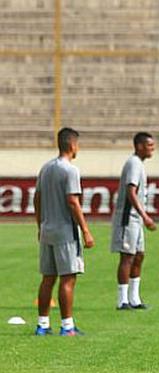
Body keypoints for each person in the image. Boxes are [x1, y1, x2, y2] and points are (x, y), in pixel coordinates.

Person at [34, 127, 95, 336]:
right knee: (68, 278)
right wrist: (85, 230)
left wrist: (40, 225)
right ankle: (67, 326)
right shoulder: (70, 170)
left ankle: (42, 324)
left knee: (47, 278)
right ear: (72, 145)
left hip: (47, 230)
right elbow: (72, 201)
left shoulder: (46, 168)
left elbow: (37, 199)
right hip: (65, 232)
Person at [110, 132, 157, 309]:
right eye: (149, 145)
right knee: (127, 257)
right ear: (139, 146)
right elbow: (131, 192)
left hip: (136, 219)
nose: (152, 148)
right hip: (128, 217)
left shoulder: (138, 164)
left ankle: (135, 298)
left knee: (139, 255)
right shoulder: (133, 164)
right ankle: (122, 300)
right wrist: (145, 216)